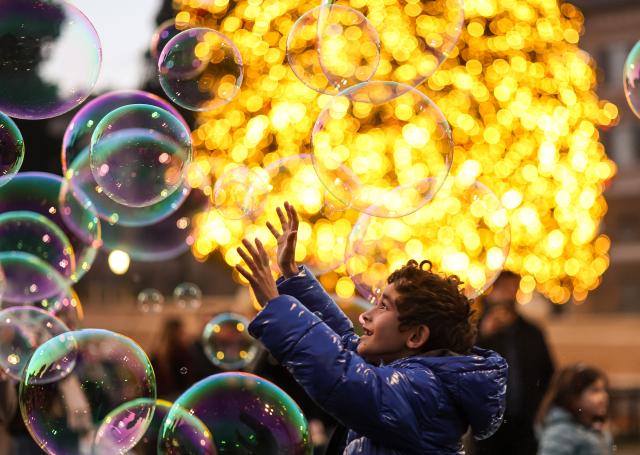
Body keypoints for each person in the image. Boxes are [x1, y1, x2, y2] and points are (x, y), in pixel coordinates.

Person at [234, 202, 508, 454]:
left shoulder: (424, 391)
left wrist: (278, 305)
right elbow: (344, 346)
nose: (365, 317)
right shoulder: (404, 376)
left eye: (384, 307)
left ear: (415, 336)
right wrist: (292, 276)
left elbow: (342, 375)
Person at [473, 271, 555, 455]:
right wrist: (483, 335)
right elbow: (465, 365)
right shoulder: (475, 330)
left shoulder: (532, 332)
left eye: (513, 288)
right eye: (503, 288)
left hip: (525, 421)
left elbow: (548, 373)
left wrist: (540, 408)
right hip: (488, 422)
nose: (508, 294)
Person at [537, 364, 613, 455]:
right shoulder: (560, 434)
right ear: (573, 397)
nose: (604, 396)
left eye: (604, 390)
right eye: (595, 390)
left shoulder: (598, 431)